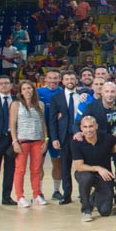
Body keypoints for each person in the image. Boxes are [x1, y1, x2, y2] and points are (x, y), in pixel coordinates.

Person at [9, 81, 49, 208]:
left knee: (36, 169)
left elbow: (43, 123)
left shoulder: (40, 104)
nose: (27, 91)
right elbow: (12, 124)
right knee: (20, 169)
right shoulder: (16, 104)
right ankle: (20, 196)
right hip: (22, 141)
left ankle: (36, 195)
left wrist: (46, 139)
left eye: (30, 88)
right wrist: (14, 141)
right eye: (25, 88)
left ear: (33, 90)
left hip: (37, 140)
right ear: (21, 91)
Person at [48, 71, 85, 205]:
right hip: (64, 136)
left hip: (81, 135)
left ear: (77, 80)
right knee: (65, 167)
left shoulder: (83, 95)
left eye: (72, 78)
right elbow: (52, 120)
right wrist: (54, 138)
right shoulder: (56, 97)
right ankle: (67, 194)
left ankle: (84, 194)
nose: (70, 81)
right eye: (67, 79)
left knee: (83, 165)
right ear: (62, 81)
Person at [71, 116, 115, 221]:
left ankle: (93, 198)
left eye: (91, 126)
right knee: (86, 178)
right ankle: (86, 210)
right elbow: (79, 166)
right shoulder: (76, 142)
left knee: (105, 212)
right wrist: (98, 168)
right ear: (81, 128)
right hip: (85, 172)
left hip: (104, 175)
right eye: (85, 127)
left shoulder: (107, 139)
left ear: (96, 126)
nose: (88, 130)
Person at [37, 70, 63, 199]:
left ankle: (56, 191)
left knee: (57, 163)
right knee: (38, 163)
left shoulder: (63, 93)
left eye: (55, 78)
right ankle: (38, 192)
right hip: (41, 134)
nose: (52, 81)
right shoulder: (38, 92)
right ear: (45, 79)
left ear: (60, 79)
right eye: (50, 78)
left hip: (57, 134)